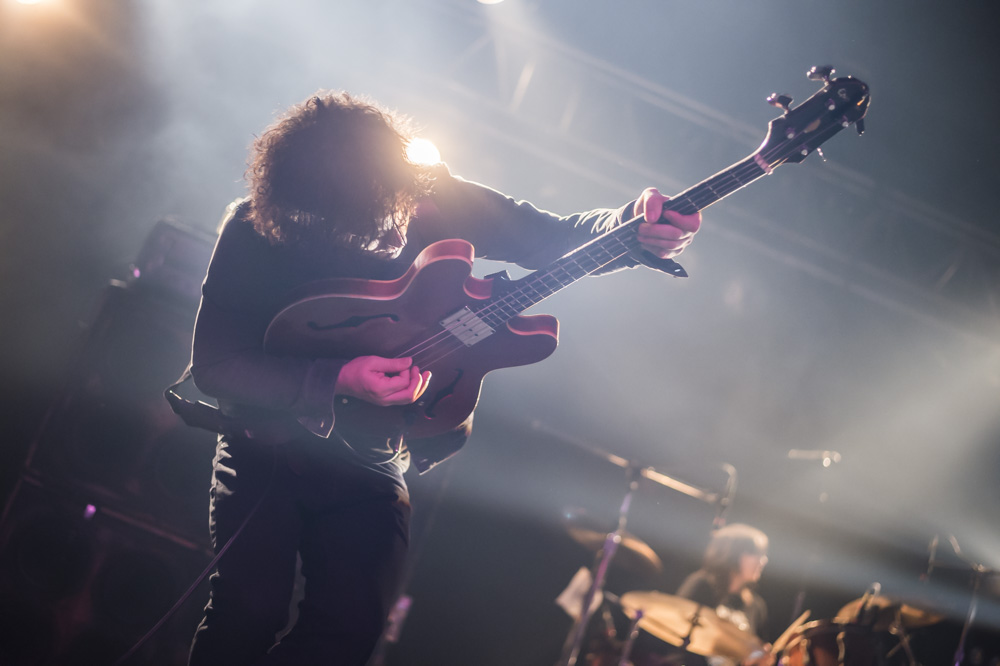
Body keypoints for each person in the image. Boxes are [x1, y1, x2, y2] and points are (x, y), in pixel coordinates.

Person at [183, 90, 702, 666]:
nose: (383, 237)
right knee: (246, 613)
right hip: (267, 446)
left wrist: (633, 225)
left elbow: (555, 237)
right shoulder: (256, 228)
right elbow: (215, 367)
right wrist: (340, 377)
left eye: (388, 213)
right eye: (356, 226)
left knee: (349, 632)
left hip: (374, 453)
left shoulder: (431, 194)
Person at [675, 523, 773, 666]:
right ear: (734, 554)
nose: (763, 561)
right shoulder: (702, 585)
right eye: (755, 554)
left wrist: (760, 660)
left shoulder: (756, 606)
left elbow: (753, 653)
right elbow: (675, 632)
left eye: (763, 555)